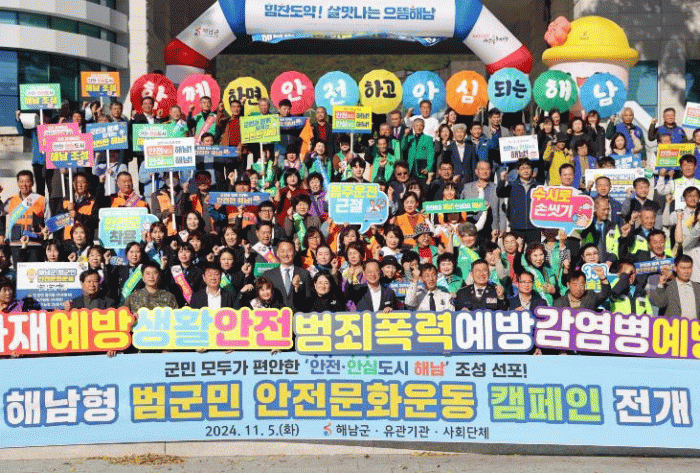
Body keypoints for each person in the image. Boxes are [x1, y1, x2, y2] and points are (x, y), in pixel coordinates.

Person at [262, 240, 312, 310]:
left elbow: (309, 299)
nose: (286, 254)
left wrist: (296, 290)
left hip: (298, 315)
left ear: (294, 253)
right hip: (277, 315)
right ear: (277, 253)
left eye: (289, 251)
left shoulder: (304, 274)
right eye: (282, 251)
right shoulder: (268, 275)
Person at [461, 160, 504, 238]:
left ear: (491, 171)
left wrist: (502, 228)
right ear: (476, 171)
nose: (484, 172)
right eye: (482, 169)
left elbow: (501, 210)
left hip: (492, 229)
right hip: (471, 228)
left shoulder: (497, 188)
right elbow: (460, 208)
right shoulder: (467, 188)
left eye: (487, 169)